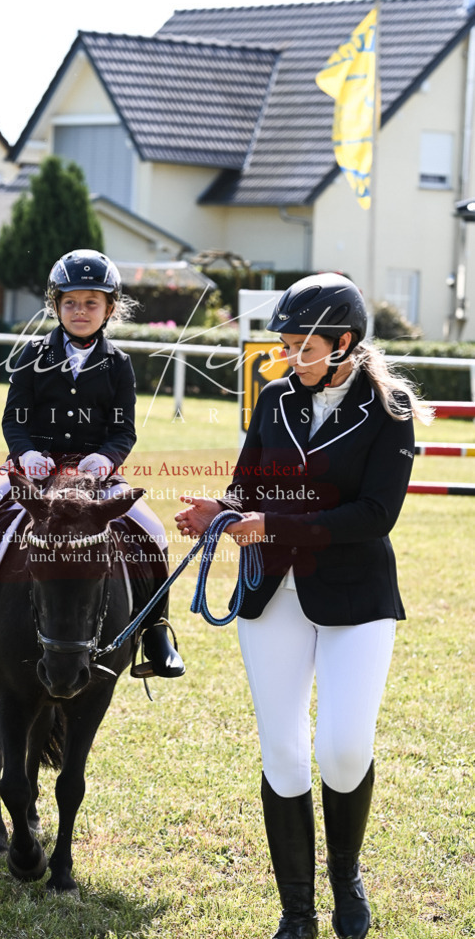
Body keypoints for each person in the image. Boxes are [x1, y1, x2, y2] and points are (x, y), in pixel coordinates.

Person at [175, 273, 431, 939]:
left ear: (344, 342)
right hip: (271, 595)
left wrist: (272, 524)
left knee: (343, 750)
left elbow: (374, 515)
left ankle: (346, 875)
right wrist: (221, 512)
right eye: (286, 345)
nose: (290, 357)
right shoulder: (275, 399)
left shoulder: (392, 409)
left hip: (358, 596)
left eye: (303, 345)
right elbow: (247, 486)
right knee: (283, 753)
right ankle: (297, 913)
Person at [0, 249, 184, 680]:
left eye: (91, 303)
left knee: (153, 531)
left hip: (93, 475)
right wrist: (25, 454)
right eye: (71, 302)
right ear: (55, 305)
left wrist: (107, 459)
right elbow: (13, 418)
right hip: (31, 470)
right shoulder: (31, 353)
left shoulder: (119, 365)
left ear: (110, 308)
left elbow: (124, 431)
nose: (80, 311)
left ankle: (157, 633)